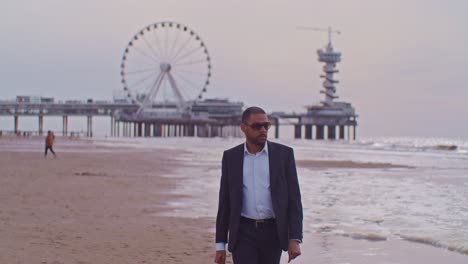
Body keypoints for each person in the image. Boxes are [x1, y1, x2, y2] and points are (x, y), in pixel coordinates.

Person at [214, 106, 303, 264]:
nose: (263, 130)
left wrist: (294, 238)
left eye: (266, 126)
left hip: (273, 232)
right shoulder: (231, 157)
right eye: (257, 126)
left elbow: (294, 200)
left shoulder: (284, 155)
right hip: (242, 232)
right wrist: (220, 245)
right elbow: (225, 202)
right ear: (243, 127)